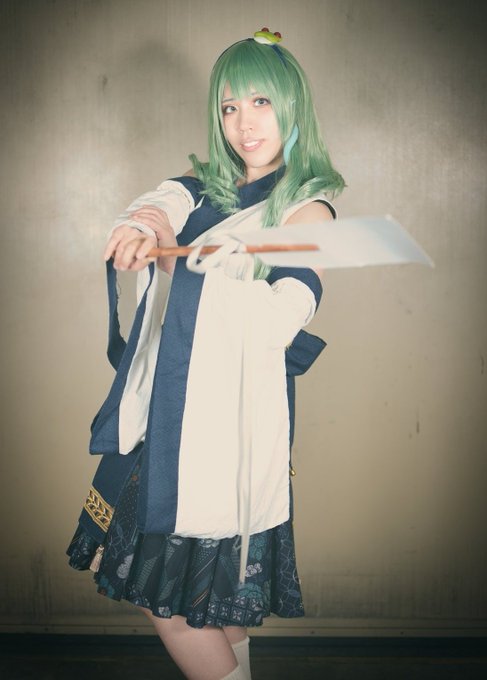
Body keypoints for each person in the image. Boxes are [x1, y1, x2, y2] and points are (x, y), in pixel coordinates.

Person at [67, 29, 344, 680]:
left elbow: (282, 317)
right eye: (229, 107)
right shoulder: (204, 185)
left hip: (230, 426)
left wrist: (199, 270)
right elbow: (160, 206)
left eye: (260, 103)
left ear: (292, 107)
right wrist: (141, 227)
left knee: (180, 602)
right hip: (170, 406)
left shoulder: (308, 212)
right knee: (209, 602)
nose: (244, 124)